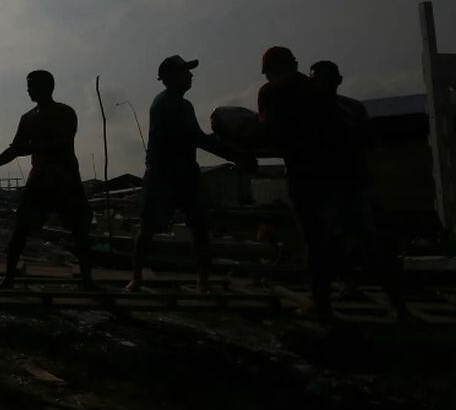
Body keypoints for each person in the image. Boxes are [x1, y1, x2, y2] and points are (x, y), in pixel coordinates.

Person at [125, 56, 250, 293]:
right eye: (185, 72)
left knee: (197, 227)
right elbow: (197, 138)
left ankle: (199, 281)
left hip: (183, 172)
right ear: (169, 77)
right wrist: (235, 154)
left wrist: (232, 151)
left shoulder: (182, 104)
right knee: (152, 228)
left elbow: (197, 137)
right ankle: (138, 278)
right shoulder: (168, 103)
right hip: (164, 174)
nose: (191, 76)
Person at [0, 70, 94, 289]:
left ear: (47, 87)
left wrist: (29, 148)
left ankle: (87, 280)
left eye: (32, 85)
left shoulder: (65, 113)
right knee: (20, 231)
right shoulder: (27, 118)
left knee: (80, 232)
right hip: (39, 182)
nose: (28, 90)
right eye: (28, 86)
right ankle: (8, 278)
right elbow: (14, 149)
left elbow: (61, 143)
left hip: (66, 181)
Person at [258, 46, 356, 320]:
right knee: (340, 235)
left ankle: (320, 304)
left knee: (313, 239)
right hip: (338, 172)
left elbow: (268, 133)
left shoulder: (271, 93)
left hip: (304, 173)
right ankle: (393, 304)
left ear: (270, 71)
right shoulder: (318, 91)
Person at [309, 60, 408, 317]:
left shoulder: (348, 109)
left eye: (327, 80)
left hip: (350, 182)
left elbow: (369, 141)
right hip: (330, 183)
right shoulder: (314, 111)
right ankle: (348, 288)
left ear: (337, 81)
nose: (324, 85)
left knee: (366, 240)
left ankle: (392, 299)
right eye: (320, 80)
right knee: (335, 241)